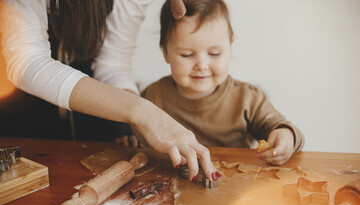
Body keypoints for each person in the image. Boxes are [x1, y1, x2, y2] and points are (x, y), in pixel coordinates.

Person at [0, 0, 219, 182]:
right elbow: (27, 62)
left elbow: (113, 63)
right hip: (18, 120)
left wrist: (139, 121)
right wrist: (143, 112)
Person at [140, 0, 304, 166]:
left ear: (230, 48)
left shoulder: (247, 98)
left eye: (214, 53)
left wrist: (286, 136)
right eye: (187, 55)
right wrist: (129, 137)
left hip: (236, 183)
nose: (202, 66)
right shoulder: (152, 96)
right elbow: (136, 129)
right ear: (165, 52)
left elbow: (280, 126)